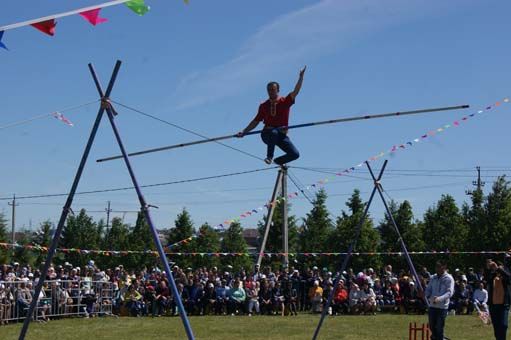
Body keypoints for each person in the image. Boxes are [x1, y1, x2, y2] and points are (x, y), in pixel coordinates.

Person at [237, 66, 306, 165]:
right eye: (269, 90)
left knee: (294, 154)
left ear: (278, 90)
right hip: (267, 134)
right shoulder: (264, 106)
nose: (271, 92)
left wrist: (301, 77)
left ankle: (278, 162)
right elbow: (255, 121)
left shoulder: (285, 101)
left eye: (273, 90)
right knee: (273, 132)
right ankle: (269, 157)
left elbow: (296, 91)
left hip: (281, 135)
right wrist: (244, 131)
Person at [425, 260, 455, 340]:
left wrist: (439, 299)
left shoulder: (449, 278)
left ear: (444, 267)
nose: (437, 268)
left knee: (439, 328)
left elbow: (449, 293)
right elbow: (428, 289)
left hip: (442, 307)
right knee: (432, 327)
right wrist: (425, 294)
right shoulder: (433, 277)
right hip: (432, 306)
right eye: (436, 266)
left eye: (439, 266)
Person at [485, 257, 511, 340]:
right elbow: (486, 280)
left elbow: (509, 278)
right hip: (493, 305)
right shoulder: (491, 274)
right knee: (496, 327)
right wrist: (490, 269)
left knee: (504, 325)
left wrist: (498, 269)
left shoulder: (505, 272)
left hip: (504, 304)